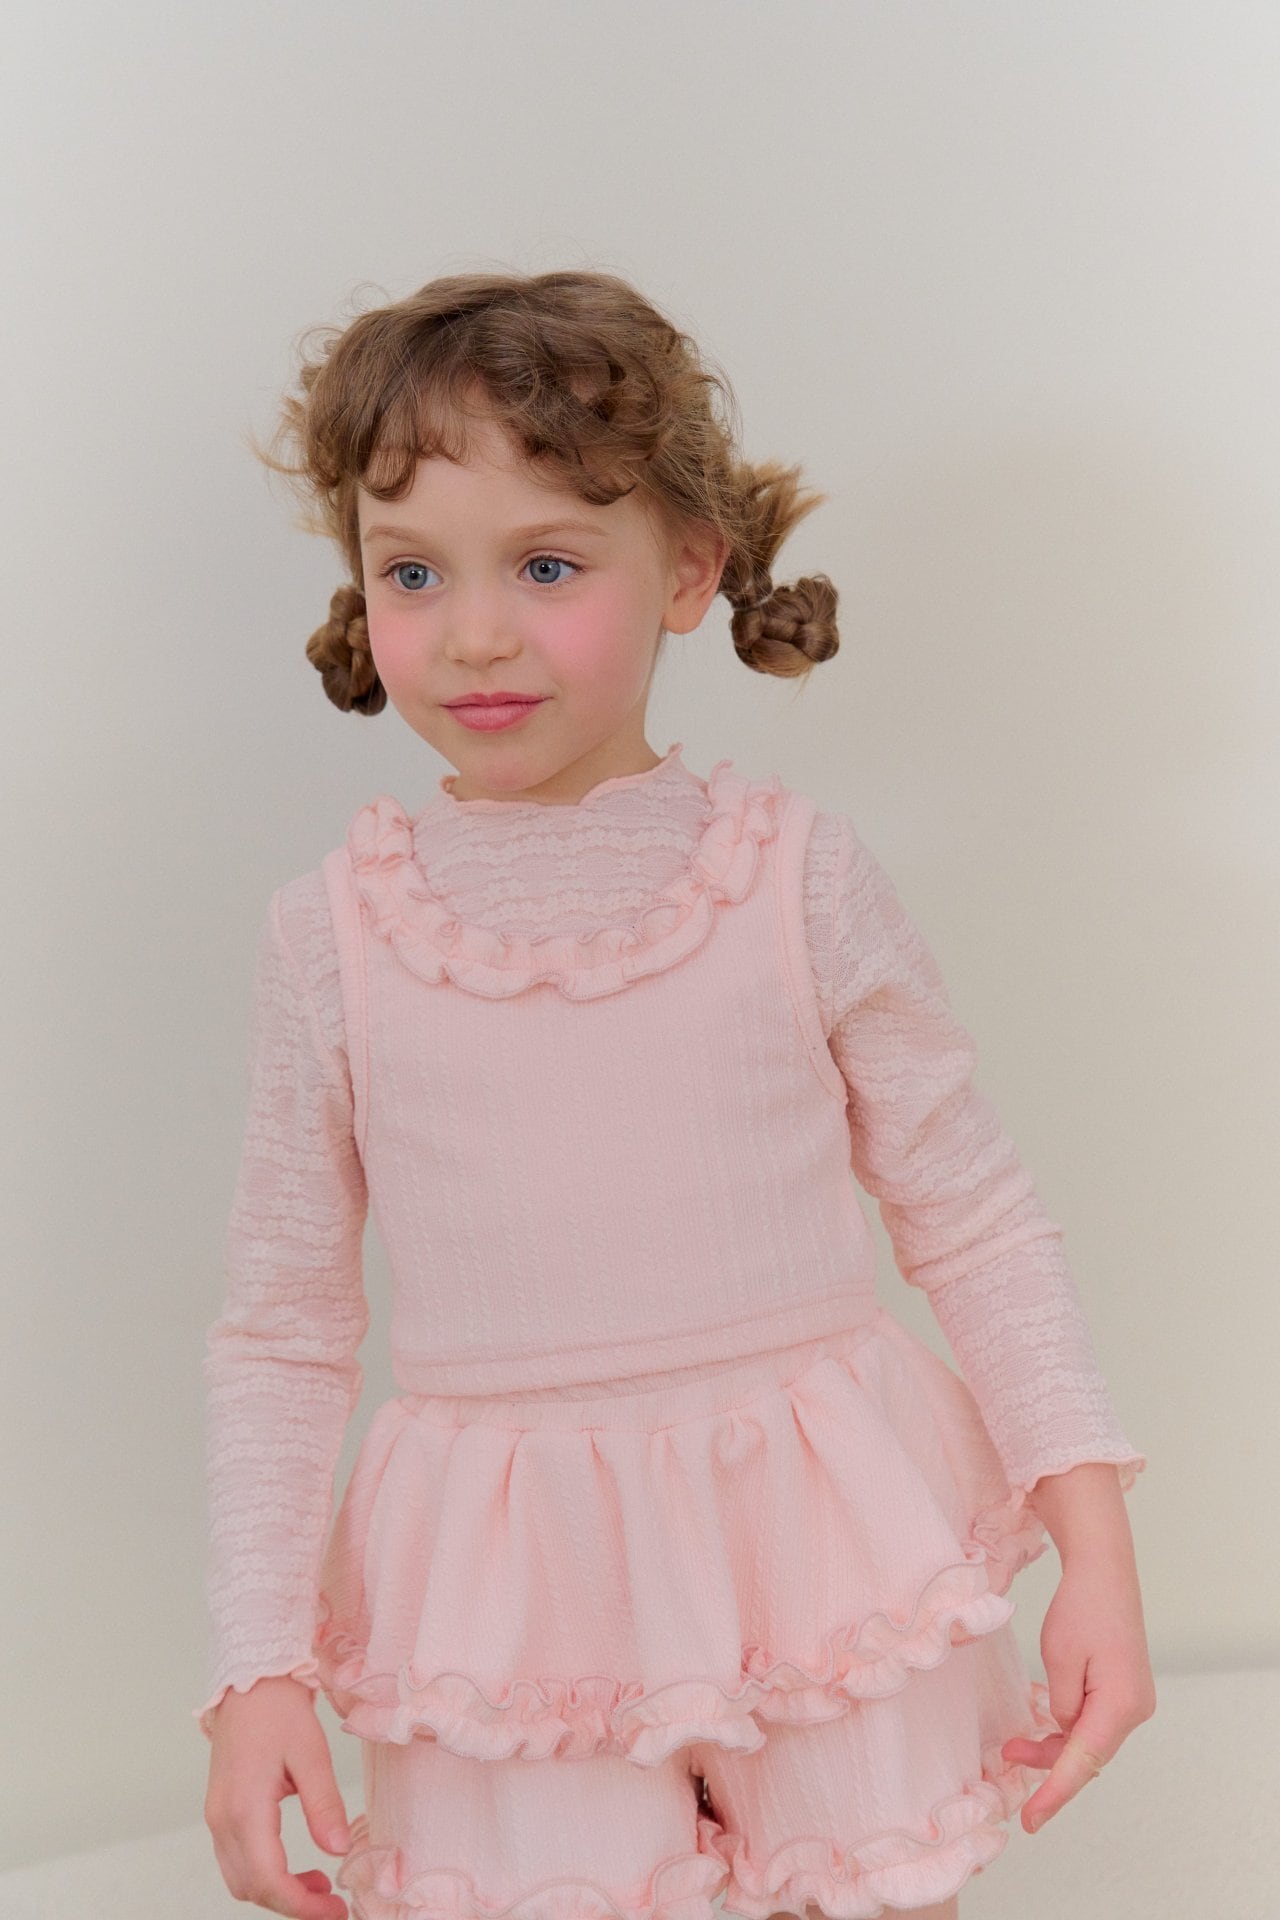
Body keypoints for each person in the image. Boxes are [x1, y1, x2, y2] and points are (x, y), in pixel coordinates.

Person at [195, 268, 1154, 1920]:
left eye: (547, 564)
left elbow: (976, 1220)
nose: (474, 632)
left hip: (820, 1554)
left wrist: (1098, 1552)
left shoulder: (796, 881)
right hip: (511, 1601)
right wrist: (254, 1664)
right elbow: (283, 1330)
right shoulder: (330, 939)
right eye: (413, 570)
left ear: (692, 570)